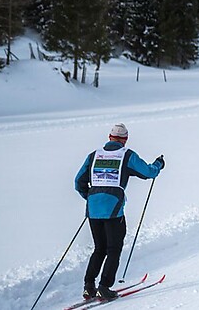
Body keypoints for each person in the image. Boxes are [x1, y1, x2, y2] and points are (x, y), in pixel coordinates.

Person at [75, 123, 164, 300]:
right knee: (114, 248)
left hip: (93, 209)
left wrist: (92, 198)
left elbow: (78, 181)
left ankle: (88, 286)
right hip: (113, 210)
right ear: (125, 139)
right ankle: (104, 288)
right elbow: (148, 172)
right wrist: (158, 164)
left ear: (109, 138)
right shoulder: (127, 155)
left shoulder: (94, 156)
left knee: (99, 248)